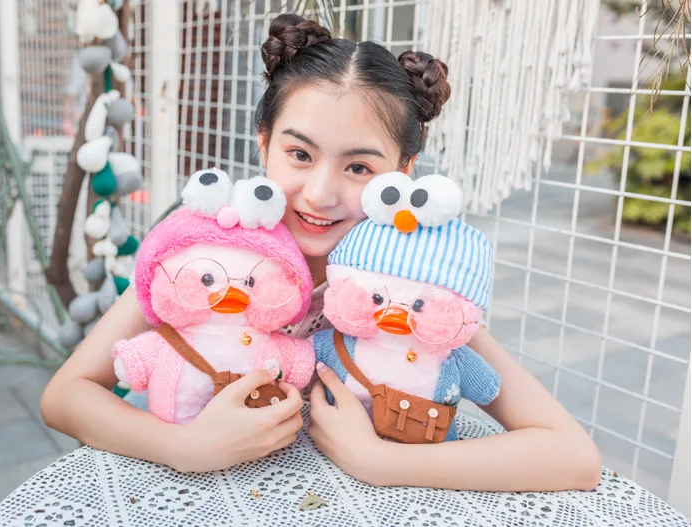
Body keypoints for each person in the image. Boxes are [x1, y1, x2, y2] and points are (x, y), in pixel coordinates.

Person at [41, 13, 601, 491]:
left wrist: (380, 462)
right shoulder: (209, 246)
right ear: (264, 142)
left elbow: (572, 456)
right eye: (300, 154)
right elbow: (65, 397)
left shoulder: (407, 284)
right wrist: (186, 448)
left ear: (404, 172)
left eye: (359, 166)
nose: (320, 193)